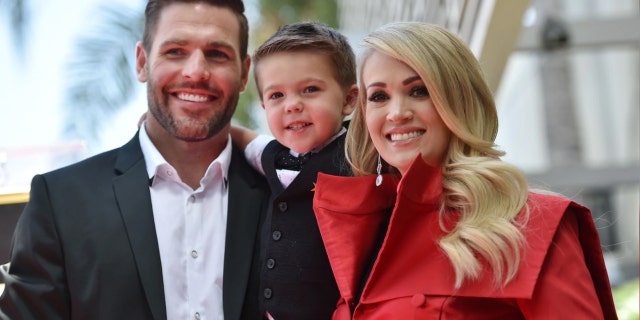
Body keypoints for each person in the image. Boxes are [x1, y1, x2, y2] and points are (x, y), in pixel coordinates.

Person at [312, 22, 618, 319]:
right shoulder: (356, 235)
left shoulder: (534, 225)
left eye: (419, 90)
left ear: (458, 101)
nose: (397, 113)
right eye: (379, 96)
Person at [0, 0, 270, 319]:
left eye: (217, 54)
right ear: (142, 62)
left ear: (244, 73)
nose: (196, 71)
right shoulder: (61, 201)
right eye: (175, 51)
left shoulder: (284, 193)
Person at [231, 21, 358, 319]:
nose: (292, 105)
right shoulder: (272, 154)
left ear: (349, 100)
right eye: (277, 96)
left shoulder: (361, 152)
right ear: (263, 106)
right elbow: (240, 138)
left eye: (310, 89)